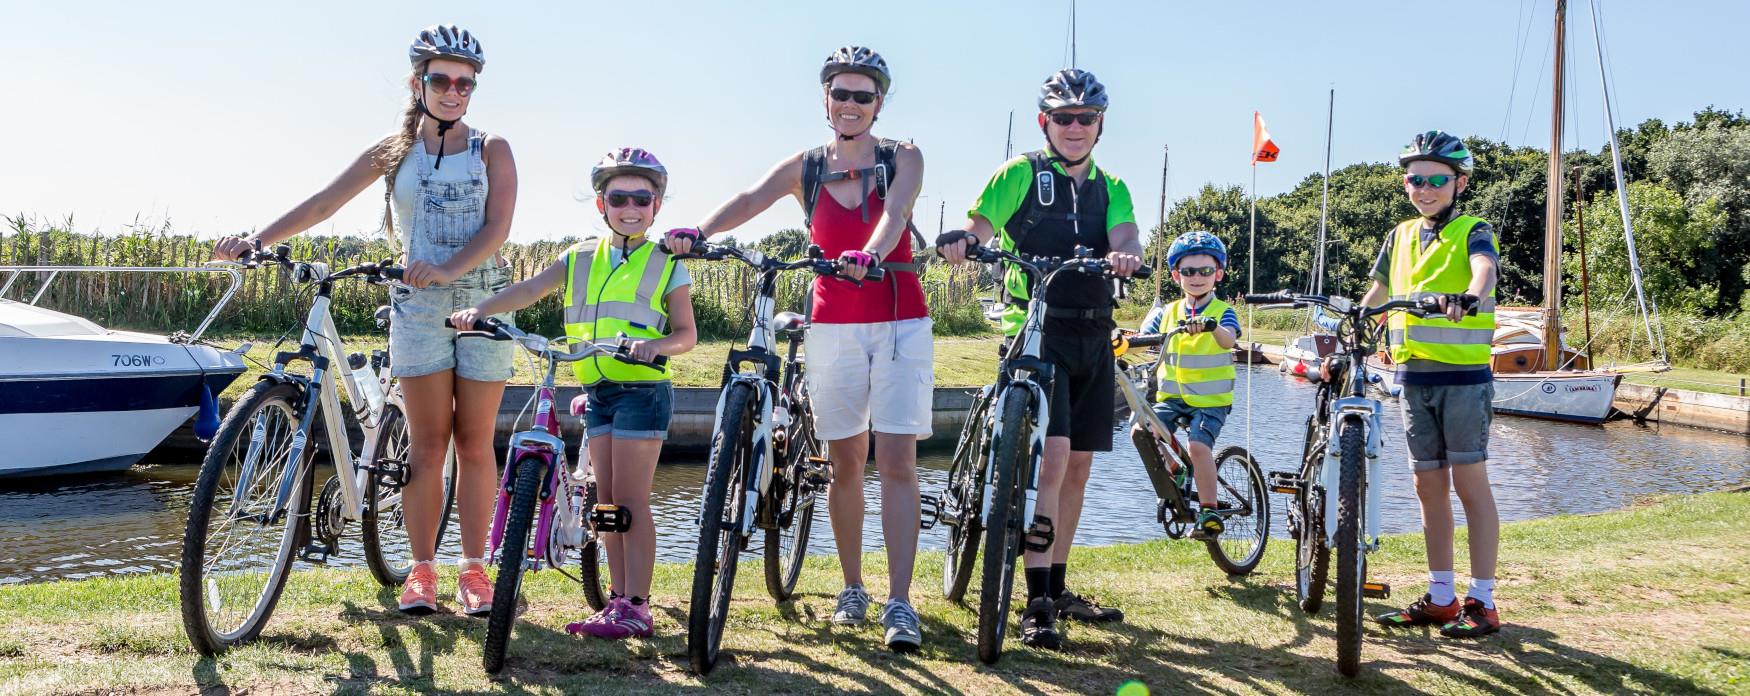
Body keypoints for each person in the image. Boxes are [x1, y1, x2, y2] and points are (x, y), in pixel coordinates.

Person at [211, 24, 516, 617]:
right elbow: (326, 201)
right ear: (418, 82)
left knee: (474, 444)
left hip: (482, 303)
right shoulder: (392, 150)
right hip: (419, 308)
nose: (454, 91)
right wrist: (256, 238)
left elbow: (498, 228)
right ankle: (422, 572)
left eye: (466, 83)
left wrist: (447, 267)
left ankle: (474, 569)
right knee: (428, 446)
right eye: (442, 79)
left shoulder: (492, 148)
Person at [662, 45, 930, 652]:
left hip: (899, 320)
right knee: (843, 462)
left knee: (897, 461)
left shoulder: (902, 156)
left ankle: (900, 601)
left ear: (880, 103)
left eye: (864, 95)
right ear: (825, 99)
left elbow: (896, 212)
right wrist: (699, 232)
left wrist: (872, 252)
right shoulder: (806, 166)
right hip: (831, 323)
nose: (852, 104)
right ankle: (854, 588)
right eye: (842, 93)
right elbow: (750, 198)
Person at [450, 148, 696, 640]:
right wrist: (481, 310)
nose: (631, 207)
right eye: (619, 197)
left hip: (642, 390)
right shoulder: (580, 256)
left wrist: (652, 346)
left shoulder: (666, 261)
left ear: (657, 206)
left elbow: (686, 335)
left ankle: (636, 605)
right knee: (605, 502)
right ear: (601, 204)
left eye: (642, 199)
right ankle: (617, 602)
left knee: (630, 501)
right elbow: (529, 289)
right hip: (598, 390)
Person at [938, 68, 1144, 650]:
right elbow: (980, 226)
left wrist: (1125, 257)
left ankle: (1056, 585)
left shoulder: (1113, 186)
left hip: (1094, 334)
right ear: (1044, 123)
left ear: (1100, 125)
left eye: (1085, 118)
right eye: (1063, 118)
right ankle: (1035, 604)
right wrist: (963, 239)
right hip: (1036, 334)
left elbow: (1125, 238)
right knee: (1052, 465)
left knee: (1077, 468)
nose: (1074, 128)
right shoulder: (1019, 174)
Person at [1363, 130, 1503, 638]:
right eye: (1414, 179)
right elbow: (1378, 290)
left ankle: (1482, 601)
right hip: (1412, 378)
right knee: (1427, 487)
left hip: (1463, 381)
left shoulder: (1472, 229)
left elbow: (1485, 268)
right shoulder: (1398, 236)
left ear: (1459, 183)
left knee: (1470, 486)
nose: (1424, 189)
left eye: (1435, 181)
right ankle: (1441, 597)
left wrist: (1469, 294)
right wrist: (1357, 318)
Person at [1151, 231, 1241, 539]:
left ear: (1218, 273)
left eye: (1205, 271)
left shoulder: (1222, 311)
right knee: (1145, 432)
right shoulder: (1167, 313)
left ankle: (1209, 511)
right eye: (1188, 271)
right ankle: (1175, 472)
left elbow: (1230, 338)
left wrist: (1212, 328)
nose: (1197, 277)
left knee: (1198, 446)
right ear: (1176, 275)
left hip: (1210, 400)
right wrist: (1120, 343)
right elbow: (1140, 336)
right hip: (1172, 398)